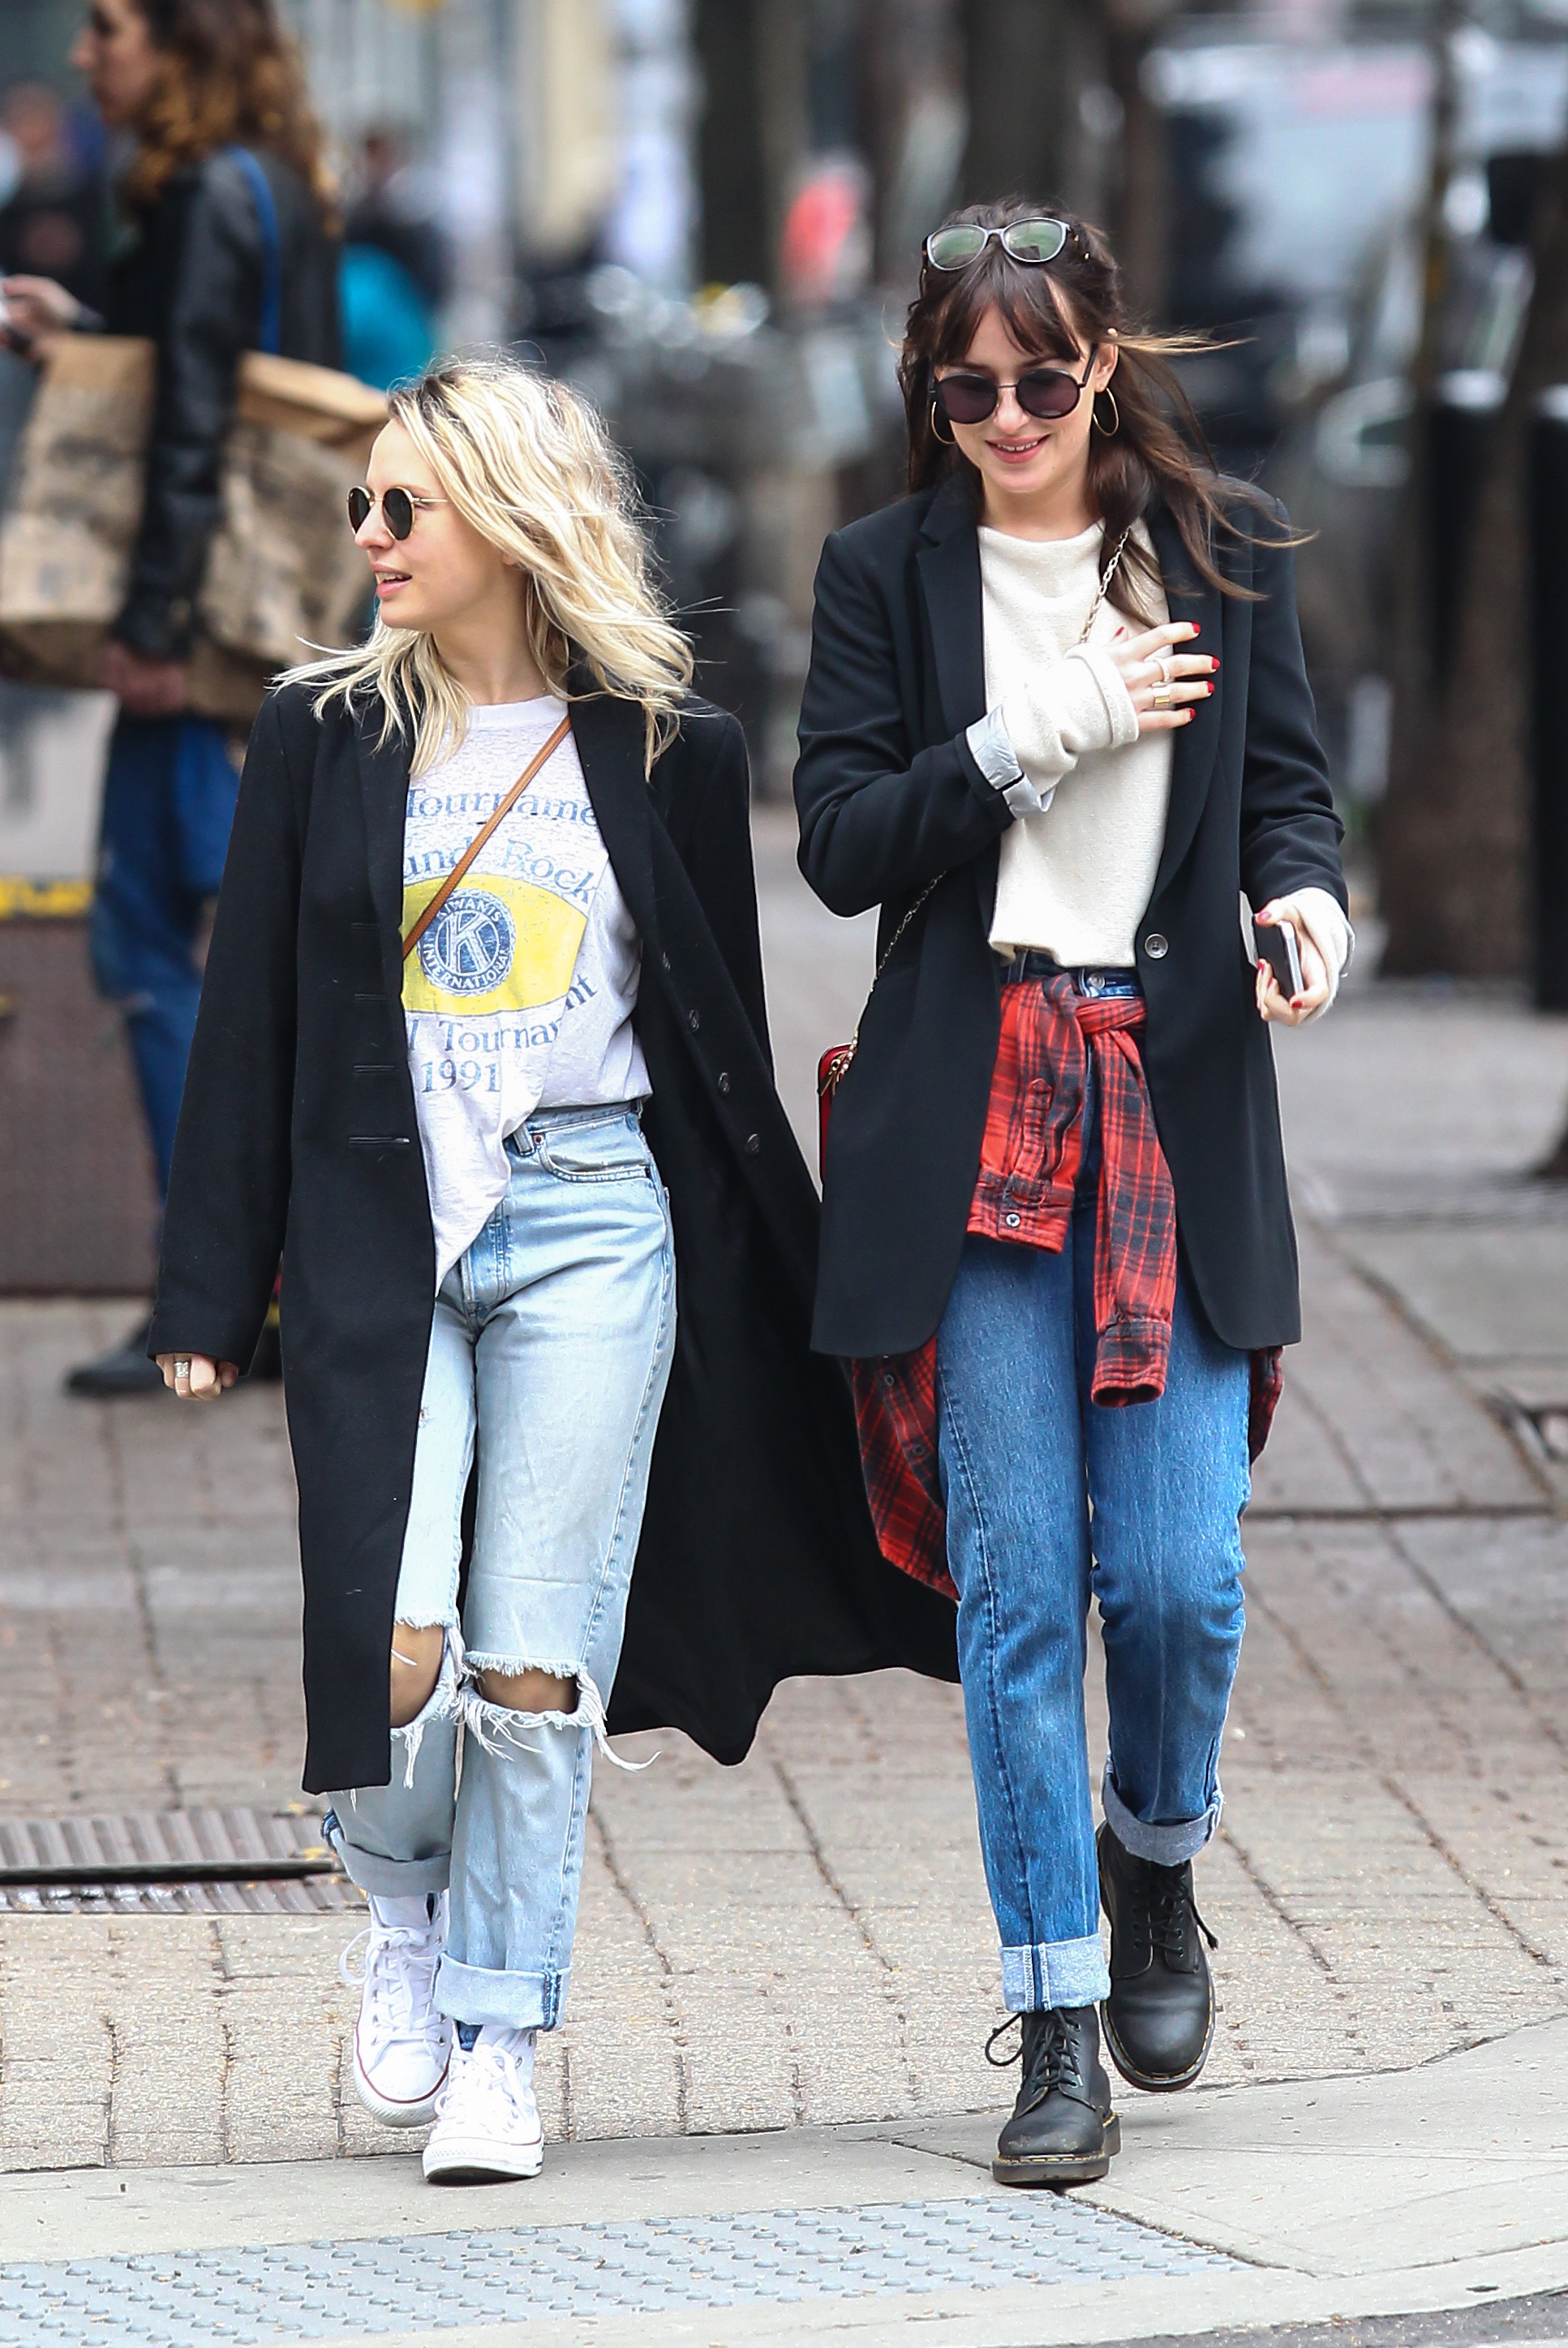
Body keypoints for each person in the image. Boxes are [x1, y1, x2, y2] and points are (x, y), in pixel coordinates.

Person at [147, 354, 956, 2184]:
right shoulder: (320, 731)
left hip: (594, 1217)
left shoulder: (670, 750)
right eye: (363, 504)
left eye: (403, 505)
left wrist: (783, 1278)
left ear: (511, 523)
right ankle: (401, 1906)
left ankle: (500, 2033)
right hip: (380, 1229)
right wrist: (209, 1289)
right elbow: (247, 1019)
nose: (370, 534)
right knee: (394, 1642)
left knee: (529, 1660)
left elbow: (715, 1048)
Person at [794, 202, 1351, 2189]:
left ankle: (1154, 1856)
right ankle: (1051, 2022)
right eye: (967, 387)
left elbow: (1285, 794)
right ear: (928, 391)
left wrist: (1304, 906)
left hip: (1168, 1099)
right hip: (978, 1109)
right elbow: (842, 843)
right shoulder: (882, 572)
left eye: (1042, 377)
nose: (1009, 416)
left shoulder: (1224, 550)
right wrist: (1037, 732)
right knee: (1019, 1591)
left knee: (1176, 1580)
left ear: (1102, 361)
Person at [1, 0, 338, 1395]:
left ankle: (213, 1292)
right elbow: (235, 384)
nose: (87, 56)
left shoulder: (200, 194)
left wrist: (147, 629)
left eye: (111, 29)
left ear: (183, 44)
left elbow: (193, 425)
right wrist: (83, 328)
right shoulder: (277, 181)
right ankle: (269, 1278)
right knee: (244, 946)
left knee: (153, 946)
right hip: (264, 621)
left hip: (199, 639)